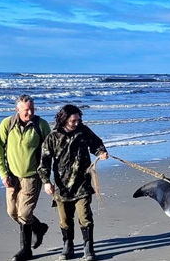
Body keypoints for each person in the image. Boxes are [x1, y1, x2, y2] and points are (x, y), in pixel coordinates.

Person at [38, 104, 108, 261]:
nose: (77, 123)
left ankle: (88, 248)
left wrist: (101, 152)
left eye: (78, 119)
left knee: (85, 216)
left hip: (82, 183)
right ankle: (68, 246)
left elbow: (96, 143)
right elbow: (44, 161)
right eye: (73, 120)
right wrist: (46, 182)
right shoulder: (53, 137)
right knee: (65, 219)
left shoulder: (83, 131)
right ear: (64, 119)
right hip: (61, 186)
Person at [0, 94, 52, 261]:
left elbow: (49, 152)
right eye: (26, 110)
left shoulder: (41, 125)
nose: (30, 113)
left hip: (32, 177)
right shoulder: (7, 124)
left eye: (32, 109)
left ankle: (25, 250)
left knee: (24, 214)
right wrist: (3, 174)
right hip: (12, 177)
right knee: (12, 212)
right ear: (17, 109)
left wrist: (47, 177)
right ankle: (39, 227)